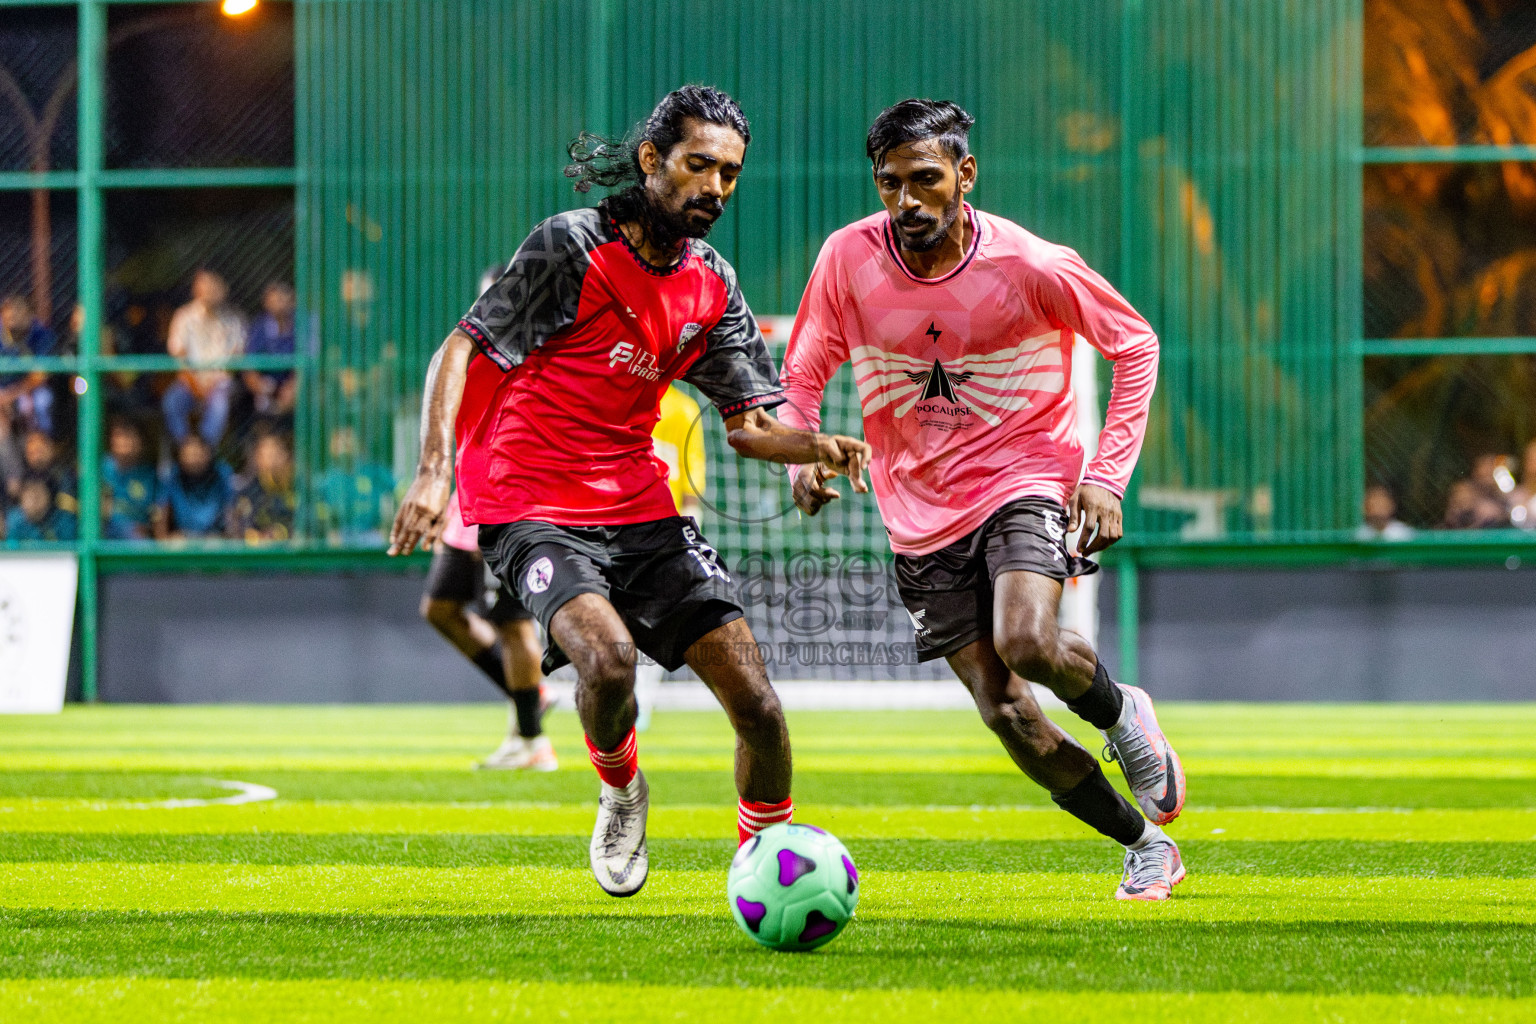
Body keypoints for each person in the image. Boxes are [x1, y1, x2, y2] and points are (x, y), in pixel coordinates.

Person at [388, 85, 871, 897]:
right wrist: (434, 472)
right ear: (652, 161)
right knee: (607, 663)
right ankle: (620, 790)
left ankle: (766, 868)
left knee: (760, 707)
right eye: (698, 166)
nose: (716, 187)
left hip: (641, 508)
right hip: (528, 504)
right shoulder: (569, 248)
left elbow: (748, 423)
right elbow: (460, 348)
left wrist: (809, 450)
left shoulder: (712, 283)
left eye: (730, 173)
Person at [780, 99, 1184, 902]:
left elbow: (1135, 344)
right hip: (916, 513)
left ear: (965, 174)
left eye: (925, 179)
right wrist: (801, 451)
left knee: (1028, 641)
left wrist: (1106, 476)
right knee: (1009, 716)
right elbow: (803, 371)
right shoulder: (847, 258)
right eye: (890, 184)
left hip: (1023, 477)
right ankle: (1144, 846)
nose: (907, 202)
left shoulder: (1030, 264)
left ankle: (1118, 714)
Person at [419, 266, 555, 773]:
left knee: (513, 624)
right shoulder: (469, 354)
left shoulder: (538, 360)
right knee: (440, 607)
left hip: (514, 506)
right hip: (466, 504)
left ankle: (532, 739)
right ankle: (530, 702)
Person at [632, 383, 709, 731]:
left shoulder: (683, 409)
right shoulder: (622, 395)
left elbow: (691, 485)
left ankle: (641, 702)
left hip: (664, 530)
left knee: (656, 622)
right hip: (620, 521)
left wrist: (691, 538)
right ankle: (626, 695)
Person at [163, 269, 245, 448]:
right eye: (203, 286)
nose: (208, 291)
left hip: (221, 383)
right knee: (172, 401)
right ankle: (187, 450)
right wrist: (195, 384)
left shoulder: (235, 319)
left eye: (213, 285)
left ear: (224, 288)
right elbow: (179, 354)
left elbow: (236, 357)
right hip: (189, 382)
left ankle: (206, 450)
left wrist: (213, 383)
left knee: (219, 403)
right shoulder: (184, 316)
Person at [0, 294, 59, 436]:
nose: (11, 319)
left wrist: (10, 395)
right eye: (7, 316)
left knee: (42, 401)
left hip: (29, 389)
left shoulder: (42, 335)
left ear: (29, 314)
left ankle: (43, 441)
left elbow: (40, 376)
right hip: (2, 390)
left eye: (17, 312)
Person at [155, 434, 234, 539]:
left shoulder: (222, 473)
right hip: (182, 535)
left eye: (197, 454)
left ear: (208, 454)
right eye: (189, 454)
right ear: (180, 455)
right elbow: (160, 510)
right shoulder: (171, 475)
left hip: (214, 535)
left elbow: (232, 508)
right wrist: (163, 541)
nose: (194, 459)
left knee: (215, 543)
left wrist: (231, 540)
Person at [243, 282, 300, 422]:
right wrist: (259, 386)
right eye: (273, 299)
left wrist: (292, 386)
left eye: (282, 298)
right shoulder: (259, 326)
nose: (278, 304)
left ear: (292, 301)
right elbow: (249, 364)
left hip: (292, 382)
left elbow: (305, 362)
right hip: (267, 384)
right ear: (266, 303)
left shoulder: (302, 324)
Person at [230, 432, 298, 543]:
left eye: (276, 453)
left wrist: (282, 532)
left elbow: (310, 521)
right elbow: (241, 527)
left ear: (286, 455)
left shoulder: (300, 488)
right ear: (257, 459)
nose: (273, 460)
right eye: (268, 455)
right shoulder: (248, 492)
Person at [102, 418, 158, 540]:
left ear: (141, 442)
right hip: (105, 533)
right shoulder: (101, 468)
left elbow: (156, 513)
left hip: (138, 539)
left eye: (129, 435)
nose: (123, 441)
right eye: (119, 435)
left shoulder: (150, 474)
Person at [5, 476, 76, 543]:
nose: (34, 499)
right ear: (21, 499)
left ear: (50, 497)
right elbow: (12, 549)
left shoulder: (65, 521)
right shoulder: (15, 519)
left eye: (39, 493)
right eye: (29, 494)